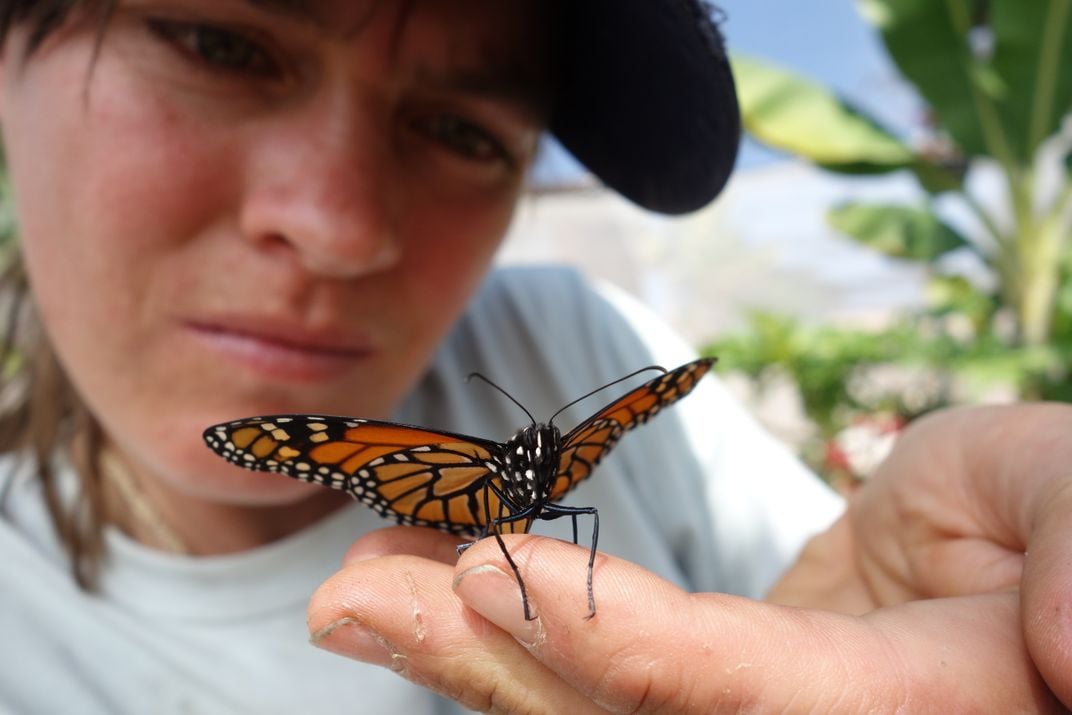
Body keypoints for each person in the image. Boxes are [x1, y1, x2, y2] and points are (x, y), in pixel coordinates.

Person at [0, 1, 1066, 712]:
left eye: (464, 131)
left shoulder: (579, 335)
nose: (334, 223)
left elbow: (804, 582)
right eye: (219, 43)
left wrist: (854, 611)